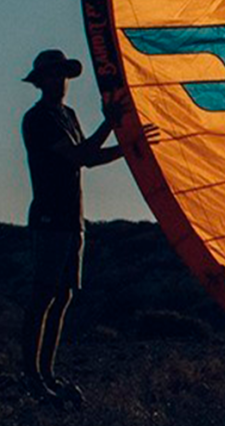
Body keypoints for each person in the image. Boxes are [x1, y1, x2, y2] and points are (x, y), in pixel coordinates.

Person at [19, 49, 155, 405]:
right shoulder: (38, 120)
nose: (59, 80)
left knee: (62, 297)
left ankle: (45, 372)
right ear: (41, 80)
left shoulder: (67, 115)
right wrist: (111, 124)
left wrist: (128, 146)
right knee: (43, 297)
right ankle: (31, 375)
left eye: (62, 74)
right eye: (53, 74)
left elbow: (89, 158)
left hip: (71, 217)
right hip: (50, 218)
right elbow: (79, 155)